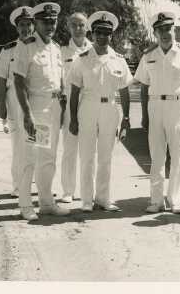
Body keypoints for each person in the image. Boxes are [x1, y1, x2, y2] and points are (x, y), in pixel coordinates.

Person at [134, 12, 180, 214]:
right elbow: (144, 86)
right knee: (157, 156)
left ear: (175, 30)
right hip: (155, 108)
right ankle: (156, 200)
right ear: (155, 33)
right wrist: (145, 115)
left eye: (168, 29)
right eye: (161, 29)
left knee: (178, 155)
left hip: (178, 107)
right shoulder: (148, 55)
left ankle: (174, 200)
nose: (165, 33)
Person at [68, 11, 132, 212]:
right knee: (87, 155)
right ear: (92, 34)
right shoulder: (82, 59)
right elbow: (74, 91)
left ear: (111, 35)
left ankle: (103, 198)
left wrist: (126, 118)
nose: (103, 37)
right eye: (98, 33)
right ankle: (86, 200)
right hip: (87, 107)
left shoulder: (119, 59)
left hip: (110, 109)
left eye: (107, 33)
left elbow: (124, 91)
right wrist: (73, 119)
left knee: (106, 156)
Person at [13, 2, 70, 221]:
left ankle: (46, 202)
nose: (49, 25)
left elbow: (61, 80)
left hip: (53, 108)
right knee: (30, 158)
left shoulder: (55, 48)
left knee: (48, 158)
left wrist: (62, 108)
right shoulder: (26, 46)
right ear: (35, 23)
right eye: (45, 22)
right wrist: (27, 114)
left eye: (53, 21)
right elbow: (19, 81)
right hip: (36, 107)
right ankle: (25, 204)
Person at [0, 6, 34, 197]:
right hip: (15, 100)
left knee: (38, 142)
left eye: (28, 24)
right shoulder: (9, 50)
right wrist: (1, 105)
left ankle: (38, 184)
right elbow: (1, 78)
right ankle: (18, 185)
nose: (25, 29)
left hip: (37, 99)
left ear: (34, 26)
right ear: (16, 28)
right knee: (18, 144)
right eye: (21, 25)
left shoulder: (40, 47)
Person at [60, 12, 92, 203]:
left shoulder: (96, 49)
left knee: (88, 150)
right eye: (74, 25)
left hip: (90, 102)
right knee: (69, 149)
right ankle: (67, 191)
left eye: (81, 25)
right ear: (68, 27)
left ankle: (86, 189)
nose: (78, 29)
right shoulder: (62, 51)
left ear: (87, 27)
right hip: (69, 102)